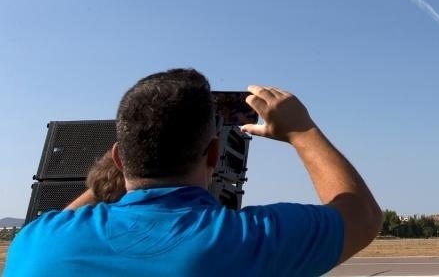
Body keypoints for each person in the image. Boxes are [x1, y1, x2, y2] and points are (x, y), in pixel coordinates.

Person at [6, 68, 382, 276]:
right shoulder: (248, 241)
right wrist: (302, 131)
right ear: (214, 154)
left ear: (119, 158)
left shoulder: (35, 243)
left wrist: (101, 184)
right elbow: (363, 216)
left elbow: (60, 224)